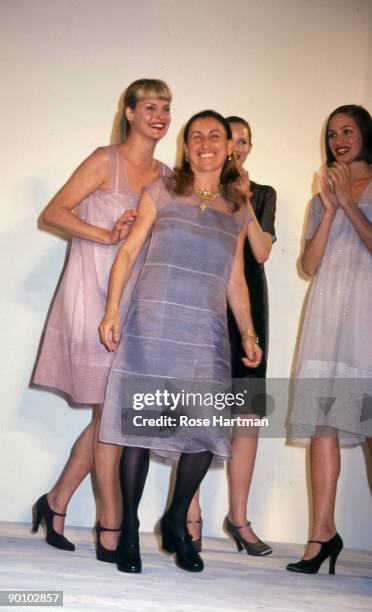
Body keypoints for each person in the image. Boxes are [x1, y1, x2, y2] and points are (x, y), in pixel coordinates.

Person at [99, 110, 262, 573]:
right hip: (153, 324)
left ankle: (175, 517)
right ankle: (129, 532)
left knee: (207, 429)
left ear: (229, 145)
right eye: (196, 136)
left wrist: (249, 333)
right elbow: (129, 250)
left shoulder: (238, 207)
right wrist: (112, 309)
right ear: (186, 146)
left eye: (215, 136)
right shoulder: (161, 191)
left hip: (205, 331)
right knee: (138, 429)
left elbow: (235, 280)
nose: (205, 143)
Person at [32, 79, 172, 562]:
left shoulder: (167, 176)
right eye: (150, 106)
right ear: (130, 112)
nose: (160, 114)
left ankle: (56, 503)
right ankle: (108, 524)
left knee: (109, 413)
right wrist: (103, 233)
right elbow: (53, 212)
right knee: (108, 412)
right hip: (91, 296)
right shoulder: (104, 159)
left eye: (166, 107)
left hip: (133, 302)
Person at [287, 105, 372, 575]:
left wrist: (351, 203)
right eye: (333, 133)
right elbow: (308, 265)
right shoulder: (322, 194)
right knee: (322, 424)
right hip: (327, 315)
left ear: (365, 135)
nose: (340, 139)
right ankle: (321, 534)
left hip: (367, 317)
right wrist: (330, 205)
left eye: (348, 131)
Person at [187, 115, 276, 556]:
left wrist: (243, 196)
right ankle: (191, 514)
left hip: (247, 307)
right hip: (206, 299)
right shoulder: (198, 190)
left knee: (246, 414)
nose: (235, 148)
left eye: (243, 140)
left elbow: (260, 252)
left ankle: (238, 519)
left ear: (249, 147)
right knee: (197, 410)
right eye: (229, 139)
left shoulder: (260, 194)